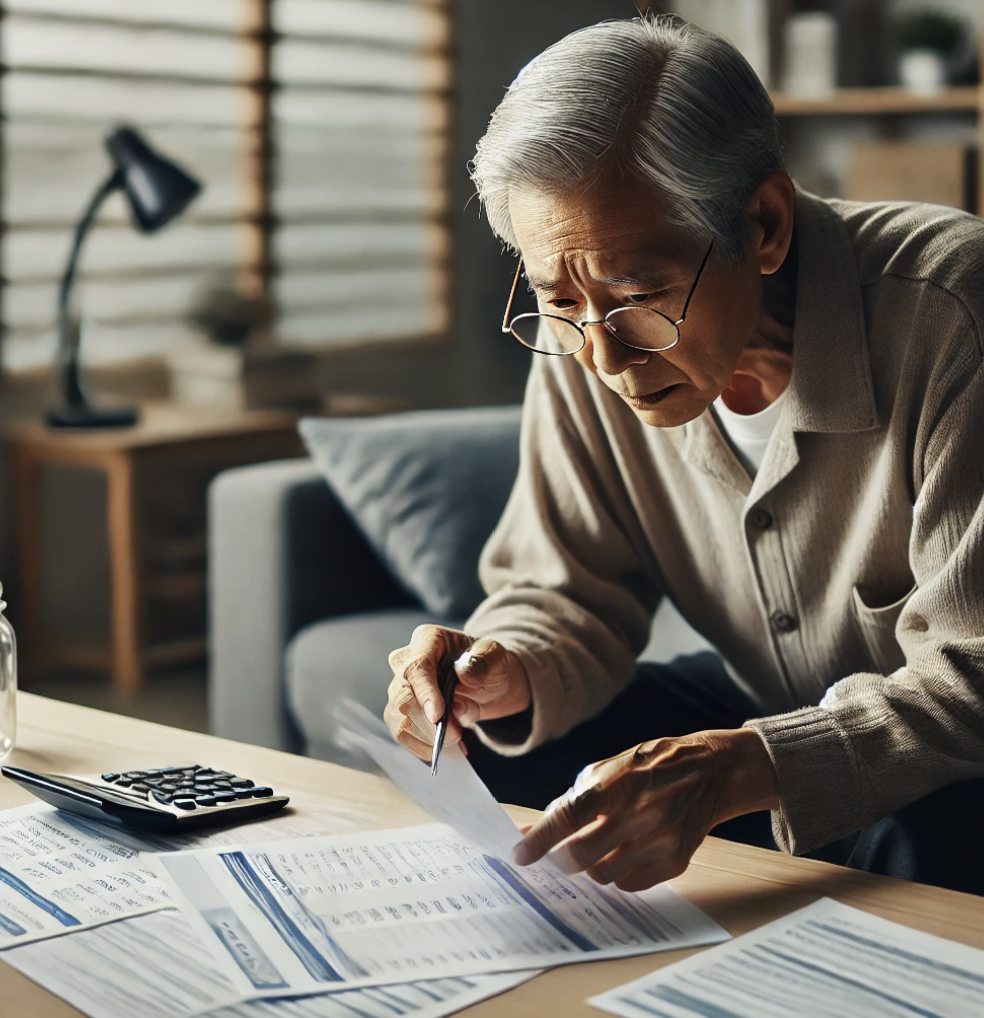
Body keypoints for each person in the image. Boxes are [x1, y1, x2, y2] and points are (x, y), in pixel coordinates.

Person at [384, 14, 984, 897]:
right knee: (520, 773)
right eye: (557, 298)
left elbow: (973, 671)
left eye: (640, 292)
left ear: (766, 225)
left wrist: (744, 766)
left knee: (918, 824)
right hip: (772, 705)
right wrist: (502, 667)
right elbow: (564, 588)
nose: (604, 354)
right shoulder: (588, 336)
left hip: (951, 744)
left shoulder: (951, 314)